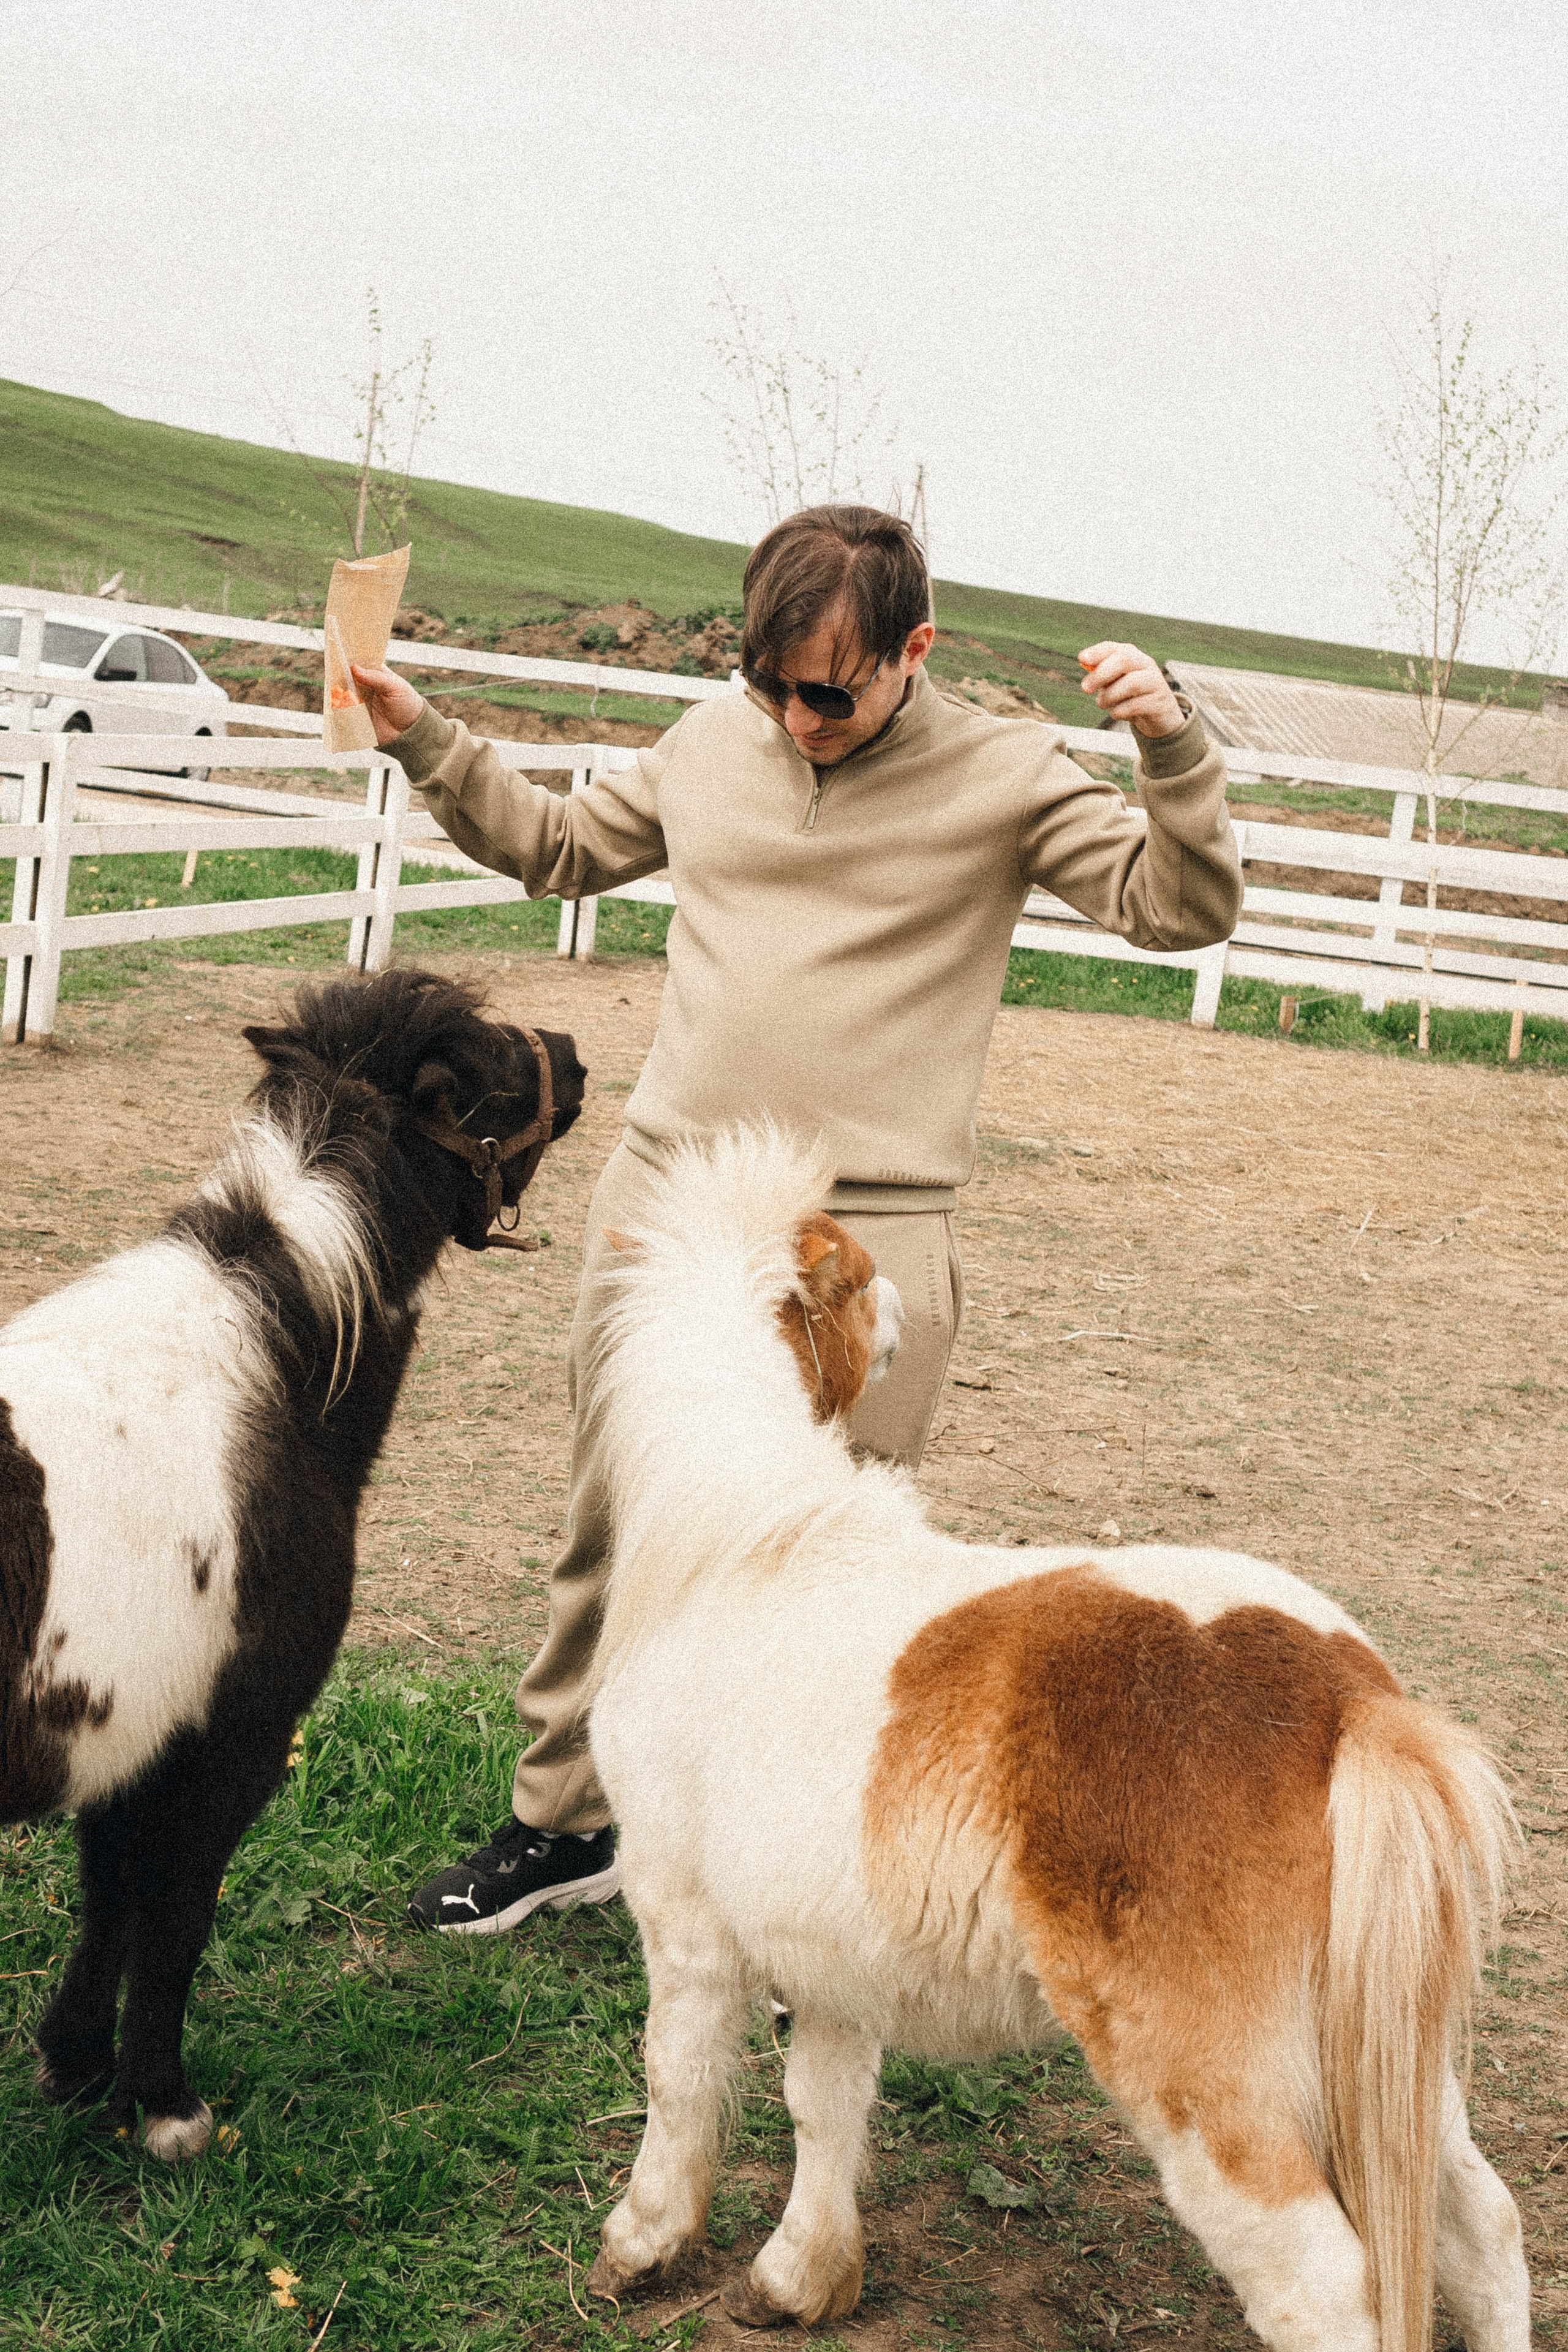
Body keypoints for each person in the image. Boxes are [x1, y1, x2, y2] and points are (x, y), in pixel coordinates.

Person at [349, 505, 1242, 1936]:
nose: (795, 716)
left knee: (826, 1566)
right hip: (670, 1212)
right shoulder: (715, 741)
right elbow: (561, 848)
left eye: (830, 688)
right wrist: (424, 735)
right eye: (770, 683)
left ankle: (789, 1877)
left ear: (913, 651)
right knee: (617, 1525)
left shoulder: (1010, 775)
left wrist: (1171, 752)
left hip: (868, 1237)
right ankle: (562, 1824)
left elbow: (1178, 908)